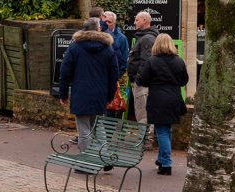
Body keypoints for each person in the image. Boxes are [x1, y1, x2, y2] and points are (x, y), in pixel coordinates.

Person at [57, 17, 119, 155]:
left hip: (81, 93)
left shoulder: (75, 47)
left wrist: (63, 93)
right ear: (97, 29)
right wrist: (110, 96)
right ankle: (105, 155)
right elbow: (114, 74)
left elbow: (65, 71)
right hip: (100, 93)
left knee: (84, 129)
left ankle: (86, 160)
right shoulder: (107, 48)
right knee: (98, 126)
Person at [135, 33, 188, 175]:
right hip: (174, 98)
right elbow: (184, 81)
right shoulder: (179, 61)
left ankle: (166, 163)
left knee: (162, 131)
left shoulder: (152, 61)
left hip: (158, 98)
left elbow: (143, 80)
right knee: (167, 129)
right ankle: (161, 159)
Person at [128, 11, 159, 129]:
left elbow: (146, 61)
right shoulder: (143, 37)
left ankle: (146, 142)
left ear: (145, 21)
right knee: (141, 113)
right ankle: (144, 141)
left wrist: (138, 80)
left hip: (142, 83)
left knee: (143, 115)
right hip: (140, 82)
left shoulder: (148, 38)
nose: (134, 22)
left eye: (137, 20)